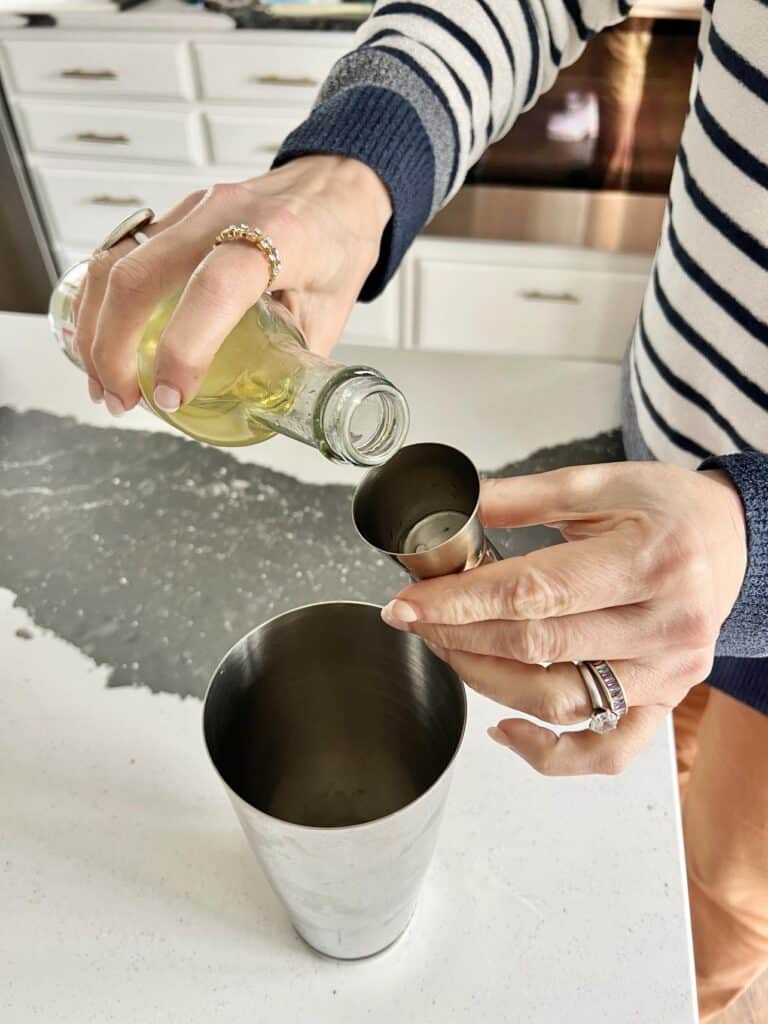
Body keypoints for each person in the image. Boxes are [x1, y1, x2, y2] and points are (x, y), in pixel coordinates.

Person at [71, 0, 766, 1017]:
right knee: (669, 813)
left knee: (732, 889)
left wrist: (754, 548)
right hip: (662, 440)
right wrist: (353, 166)